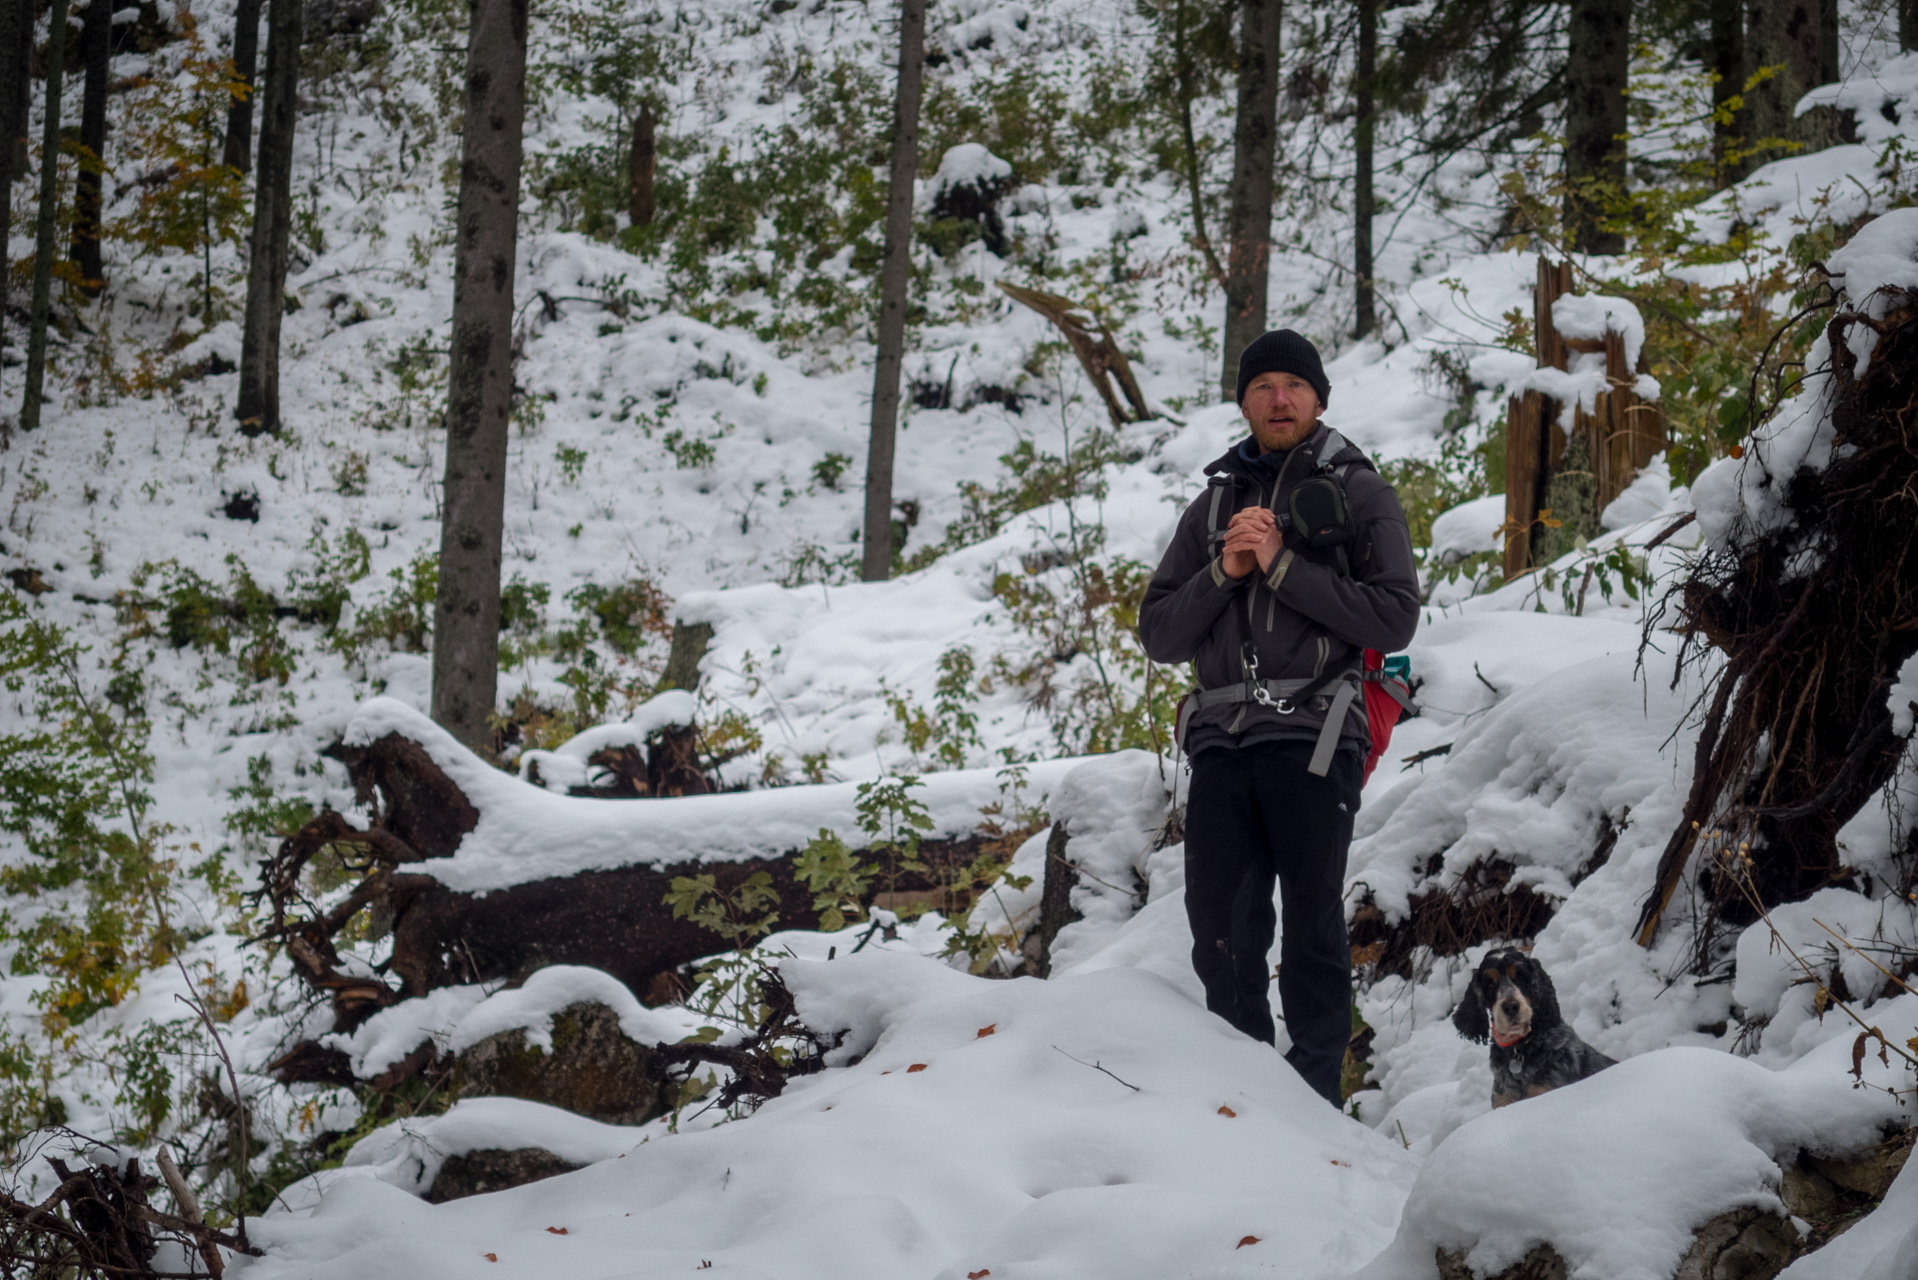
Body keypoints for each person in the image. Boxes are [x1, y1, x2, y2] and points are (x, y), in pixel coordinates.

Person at [1138, 329, 1419, 1105]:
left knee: (1312, 926)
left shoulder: (1360, 491)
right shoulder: (1214, 505)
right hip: (1224, 741)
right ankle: (1247, 1097)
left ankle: (1317, 1100)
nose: (1279, 398)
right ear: (1244, 402)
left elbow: (1394, 619)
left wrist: (1282, 565)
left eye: (1294, 385)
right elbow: (1160, 634)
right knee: (1220, 929)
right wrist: (1226, 569)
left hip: (1316, 732)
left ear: (1319, 398)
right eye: (1262, 386)